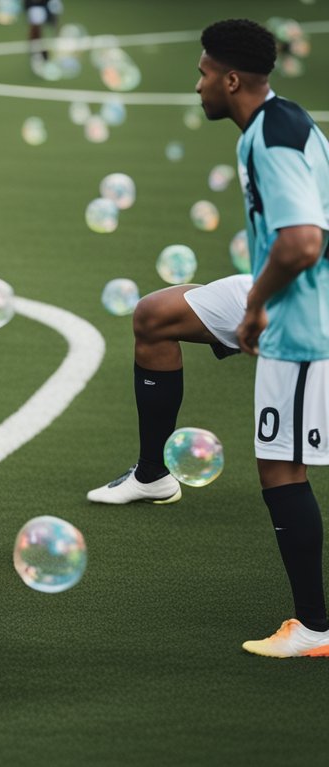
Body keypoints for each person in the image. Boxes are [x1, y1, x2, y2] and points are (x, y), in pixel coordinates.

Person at [193, 19, 328, 658]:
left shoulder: (269, 139)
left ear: (230, 79)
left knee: (281, 464)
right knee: (283, 461)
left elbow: (303, 240)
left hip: (305, 330)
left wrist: (254, 302)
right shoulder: (287, 120)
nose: (197, 87)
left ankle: (313, 627)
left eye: (202, 73)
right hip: (311, 319)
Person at [86, 273, 253, 506]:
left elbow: (302, 246)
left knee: (281, 469)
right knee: (154, 314)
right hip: (267, 281)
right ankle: (152, 474)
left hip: (299, 293)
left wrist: (259, 303)